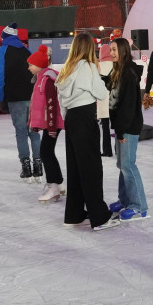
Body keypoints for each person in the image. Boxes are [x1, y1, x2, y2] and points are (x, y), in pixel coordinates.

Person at [56, 32, 118, 231]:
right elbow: (101, 93)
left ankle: (74, 214)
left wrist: (69, 119)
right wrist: (98, 76)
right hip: (84, 117)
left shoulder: (66, 69)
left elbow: (61, 102)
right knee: (91, 168)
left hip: (72, 119)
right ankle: (99, 216)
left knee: (75, 168)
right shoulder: (89, 67)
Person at [104, 37, 148, 221]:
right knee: (122, 165)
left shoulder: (128, 74)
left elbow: (128, 106)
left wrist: (121, 130)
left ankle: (139, 206)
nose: (111, 53)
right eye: (111, 49)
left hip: (128, 126)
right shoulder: (117, 71)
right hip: (122, 125)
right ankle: (125, 200)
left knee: (128, 166)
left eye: (114, 50)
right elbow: (110, 86)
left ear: (123, 51)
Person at [0, 27, 41, 181]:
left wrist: (1, 97)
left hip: (15, 98)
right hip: (32, 97)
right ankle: (38, 166)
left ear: (4, 38)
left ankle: (26, 167)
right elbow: (36, 73)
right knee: (34, 133)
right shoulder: (27, 51)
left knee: (21, 132)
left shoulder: (3, 51)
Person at [27, 45, 65, 203]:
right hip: (50, 123)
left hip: (53, 123)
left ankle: (53, 185)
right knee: (48, 152)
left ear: (39, 65)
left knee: (45, 153)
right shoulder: (41, 78)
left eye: (31, 64)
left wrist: (50, 127)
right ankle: (59, 183)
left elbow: (51, 104)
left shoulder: (48, 79)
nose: (28, 67)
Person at [96, 30, 118, 158]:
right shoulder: (116, 65)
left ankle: (107, 150)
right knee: (116, 127)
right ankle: (117, 149)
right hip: (115, 99)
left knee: (105, 127)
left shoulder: (98, 65)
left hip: (103, 100)